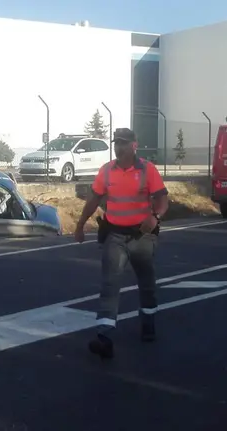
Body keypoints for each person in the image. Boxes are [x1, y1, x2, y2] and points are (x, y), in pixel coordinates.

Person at [74, 128, 169, 359]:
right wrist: (80, 224)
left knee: (146, 283)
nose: (119, 147)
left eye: (124, 143)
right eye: (117, 143)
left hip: (142, 237)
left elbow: (162, 200)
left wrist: (155, 217)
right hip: (115, 236)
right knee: (110, 284)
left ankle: (148, 323)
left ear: (134, 145)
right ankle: (104, 336)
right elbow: (94, 198)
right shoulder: (107, 171)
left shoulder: (148, 170)